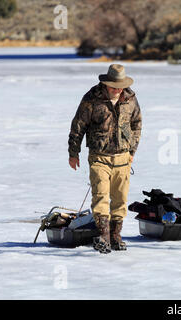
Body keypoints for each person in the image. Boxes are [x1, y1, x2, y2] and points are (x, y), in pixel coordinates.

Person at [68, 64, 142, 254]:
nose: (117, 89)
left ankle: (116, 236)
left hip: (123, 158)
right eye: (113, 86)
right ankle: (104, 236)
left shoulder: (130, 98)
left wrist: (132, 150)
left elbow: (137, 123)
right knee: (100, 195)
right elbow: (78, 126)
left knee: (120, 199)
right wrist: (73, 153)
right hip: (99, 156)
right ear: (106, 83)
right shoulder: (92, 98)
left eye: (119, 86)